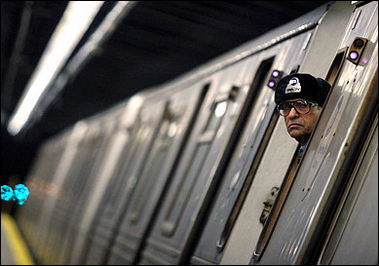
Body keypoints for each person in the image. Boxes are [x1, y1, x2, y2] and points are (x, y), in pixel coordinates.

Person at [275, 73, 331, 159]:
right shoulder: (308, 154)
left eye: (302, 105)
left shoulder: (331, 152)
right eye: (286, 107)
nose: (291, 115)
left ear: (324, 109)